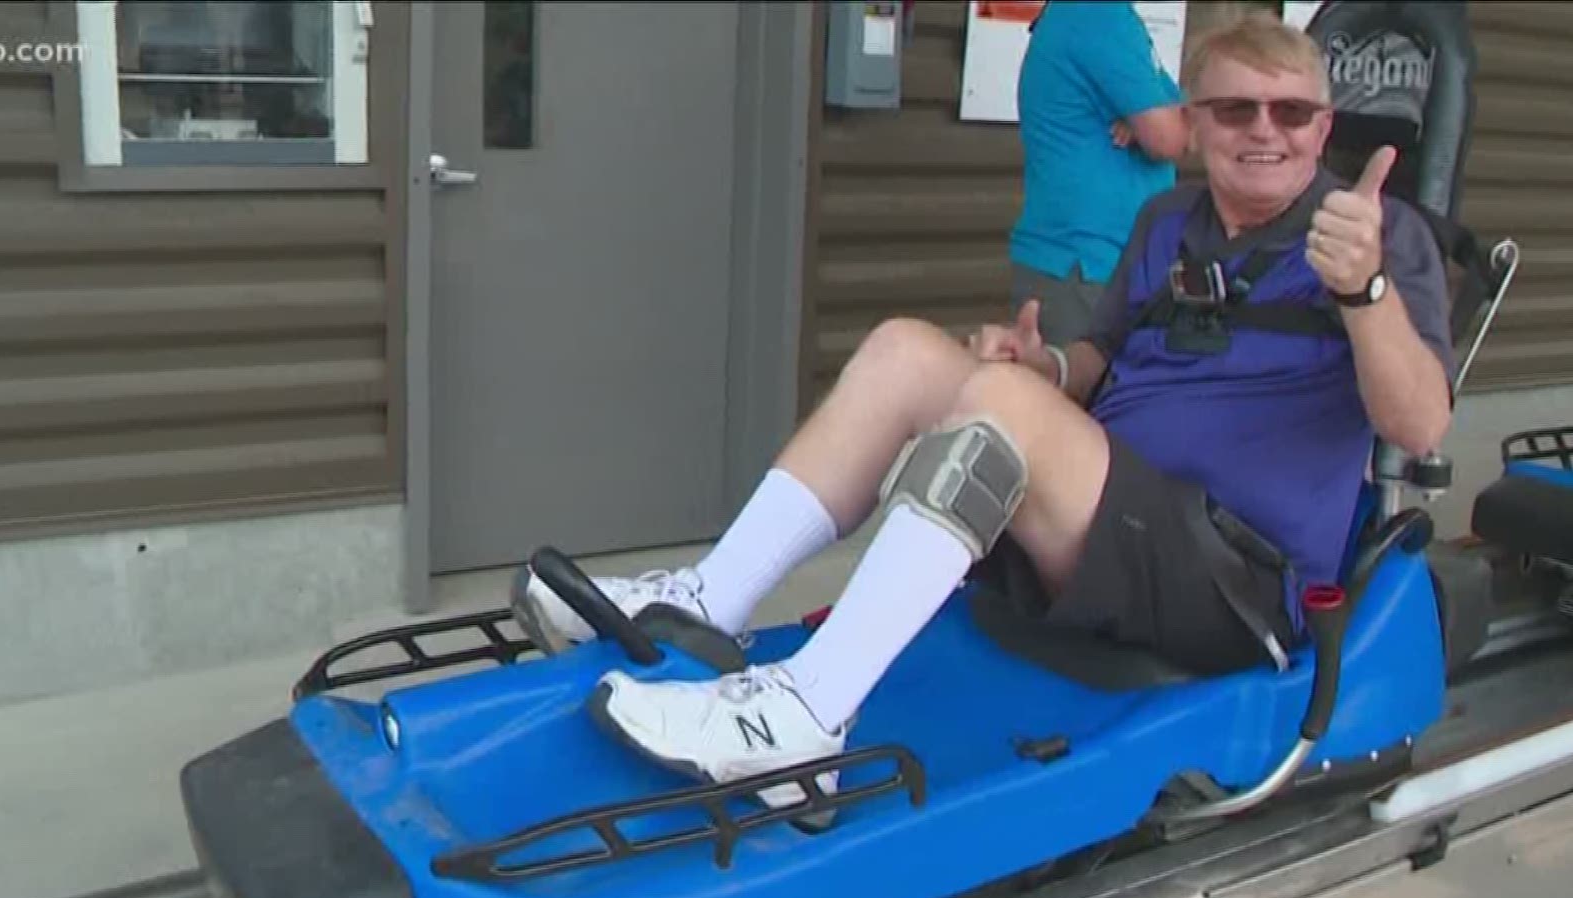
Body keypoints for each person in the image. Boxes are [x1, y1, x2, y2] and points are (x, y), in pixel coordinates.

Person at [514, 13, 1454, 810]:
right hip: (1115, 524)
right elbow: (1098, 362)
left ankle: (805, 714)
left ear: (1323, 127)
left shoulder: (1378, 236)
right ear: (1194, 121)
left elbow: (1420, 428)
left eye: (1290, 112)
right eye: (1235, 108)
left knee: (1001, 408)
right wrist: (1040, 361)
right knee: (905, 351)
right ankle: (710, 598)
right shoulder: (1168, 222)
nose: (1265, 131)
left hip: (1234, 578)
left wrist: (1364, 290)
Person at [1008, 1, 1192, 349]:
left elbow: (1192, 118)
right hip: (1084, 262)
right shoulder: (1098, 13)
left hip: (1094, 260)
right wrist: (1156, 121)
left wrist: (1153, 119)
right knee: (1079, 399)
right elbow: (1169, 138)